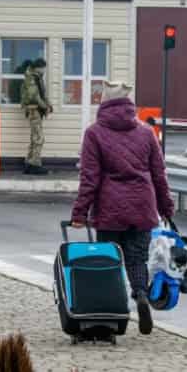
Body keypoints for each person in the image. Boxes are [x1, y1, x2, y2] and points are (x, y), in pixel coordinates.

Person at [71, 81, 174, 336]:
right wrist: (166, 208)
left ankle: (111, 312)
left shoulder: (94, 133)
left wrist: (79, 213)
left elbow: (90, 178)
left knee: (109, 260)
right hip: (142, 206)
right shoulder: (146, 132)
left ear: (104, 103)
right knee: (137, 258)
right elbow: (159, 175)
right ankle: (140, 294)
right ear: (129, 104)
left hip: (109, 209)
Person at [19, 58, 52, 175]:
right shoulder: (32, 78)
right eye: (43, 68)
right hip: (34, 111)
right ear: (38, 67)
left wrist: (48, 105)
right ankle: (35, 165)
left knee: (35, 138)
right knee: (39, 138)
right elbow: (34, 97)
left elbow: (41, 94)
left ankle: (29, 164)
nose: (44, 70)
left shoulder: (35, 77)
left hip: (35, 111)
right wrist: (45, 107)